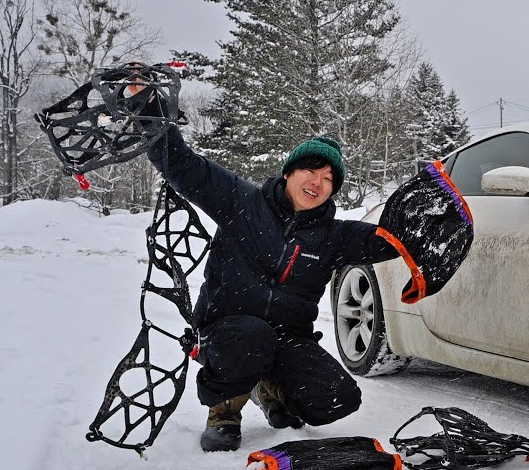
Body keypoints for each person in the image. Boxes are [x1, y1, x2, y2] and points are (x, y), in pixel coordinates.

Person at [143, 107, 404, 452]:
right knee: (252, 336)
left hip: (286, 337)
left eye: (328, 179)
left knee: (339, 398)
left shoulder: (333, 236)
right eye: (311, 170)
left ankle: (268, 388)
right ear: (289, 172)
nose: (317, 183)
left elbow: (392, 240)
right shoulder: (242, 202)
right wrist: (148, 110)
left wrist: (432, 224)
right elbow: (184, 166)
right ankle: (224, 410)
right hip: (228, 328)